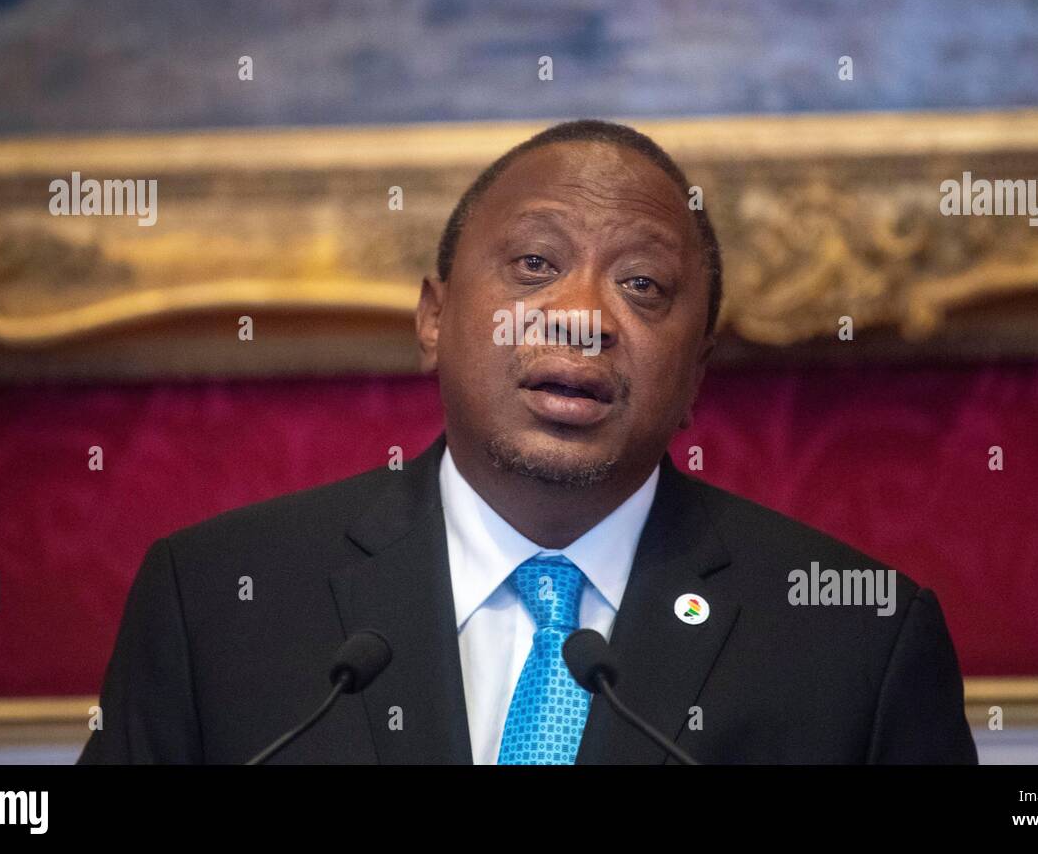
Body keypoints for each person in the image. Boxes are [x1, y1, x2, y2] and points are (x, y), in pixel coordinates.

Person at [78, 119, 977, 764]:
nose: (584, 317)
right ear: (434, 318)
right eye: (536, 266)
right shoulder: (216, 606)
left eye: (644, 286)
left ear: (697, 373)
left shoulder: (857, 643)